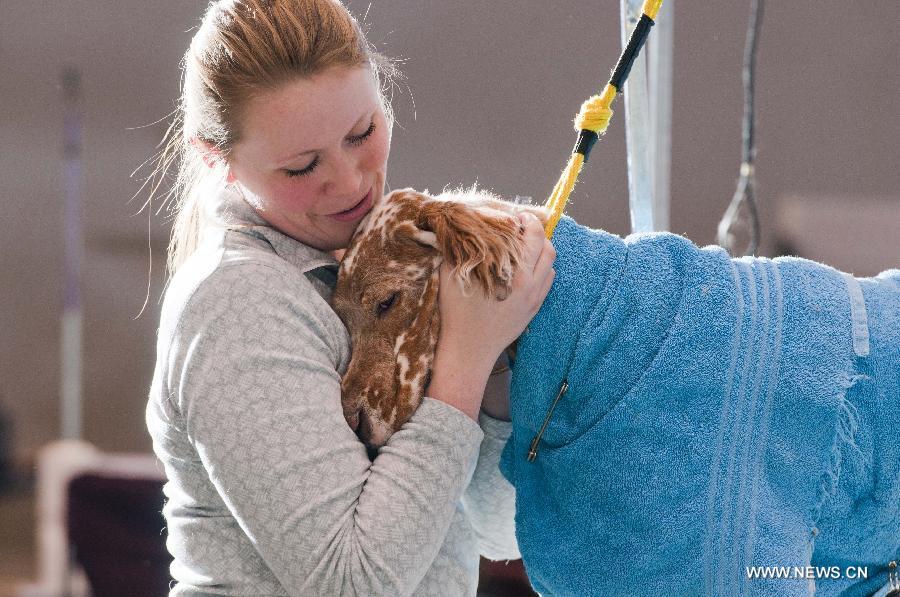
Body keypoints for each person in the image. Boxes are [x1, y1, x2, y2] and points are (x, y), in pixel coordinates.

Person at [145, 0, 556, 595]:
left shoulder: (384, 251)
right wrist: (466, 356)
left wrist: (495, 371)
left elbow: (498, 533)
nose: (351, 181)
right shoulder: (236, 303)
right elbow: (353, 583)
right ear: (219, 159)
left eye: (362, 133)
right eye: (302, 167)